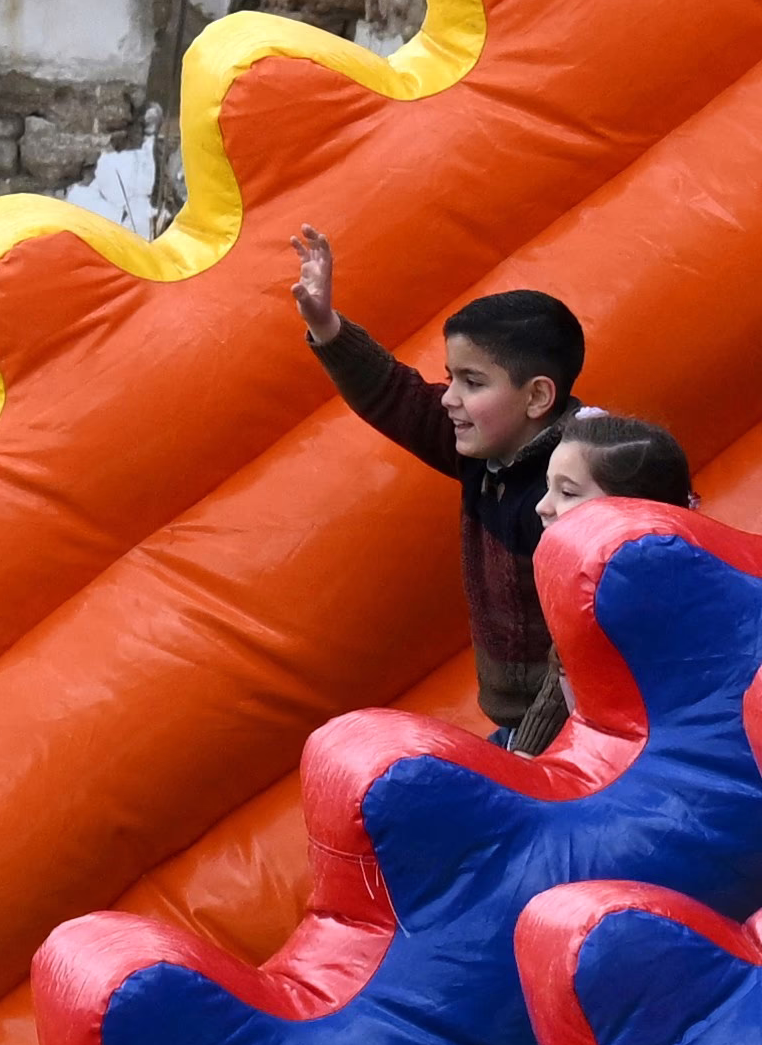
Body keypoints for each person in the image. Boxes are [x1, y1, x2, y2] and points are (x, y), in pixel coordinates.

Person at [284, 229, 684, 747]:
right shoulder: (484, 450)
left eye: (472, 383)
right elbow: (396, 396)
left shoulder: (569, 496)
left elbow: (581, 644)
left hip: (579, 725)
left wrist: (529, 752)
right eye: (451, 378)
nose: (449, 398)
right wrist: (327, 327)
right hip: (522, 720)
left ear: (537, 395)